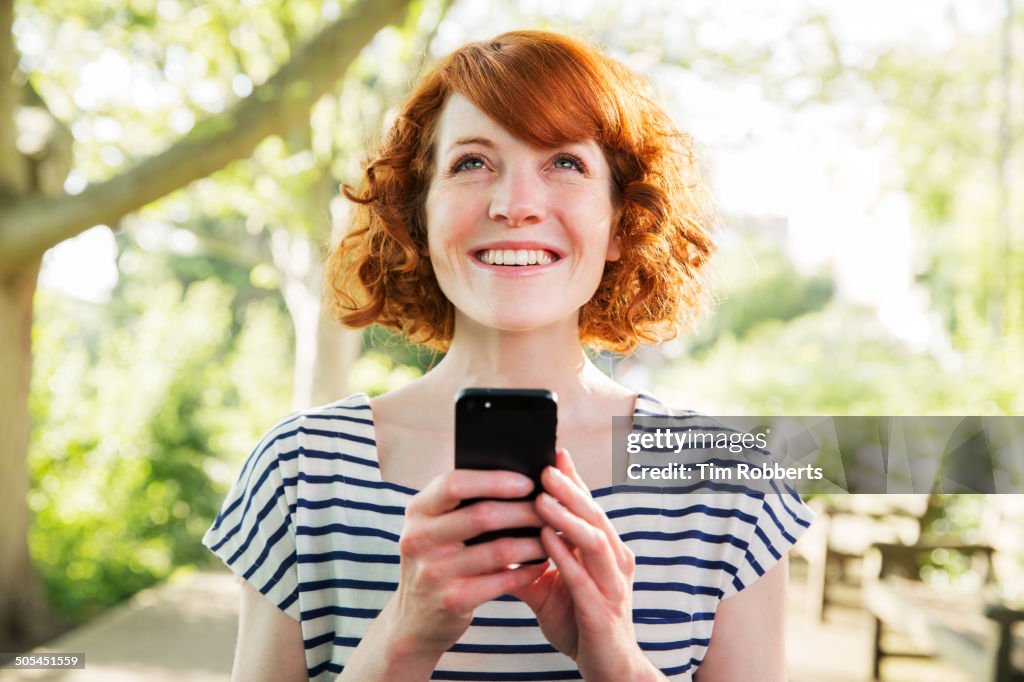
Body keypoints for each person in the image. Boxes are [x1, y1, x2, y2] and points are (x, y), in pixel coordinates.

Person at [203, 29, 813, 681]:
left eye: (565, 163)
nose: (515, 205)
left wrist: (616, 657)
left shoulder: (729, 480)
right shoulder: (300, 472)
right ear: (419, 215)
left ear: (620, 221)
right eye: (472, 162)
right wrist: (402, 638)